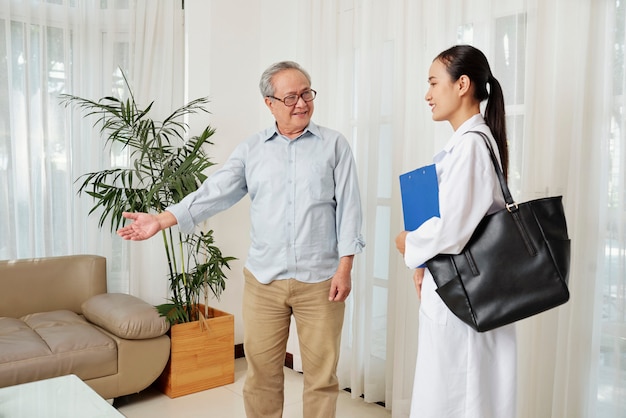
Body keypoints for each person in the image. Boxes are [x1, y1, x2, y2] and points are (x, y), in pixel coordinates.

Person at [117, 61, 364, 418]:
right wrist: (161, 219)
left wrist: (345, 268)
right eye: (291, 96)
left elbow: (350, 210)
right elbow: (214, 192)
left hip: (322, 281)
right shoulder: (253, 149)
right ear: (270, 103)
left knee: (321, 378)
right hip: (264, 282)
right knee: (262, 375)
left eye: (307, 93)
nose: (302, 103)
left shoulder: (334, 146)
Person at [395, 45, 517, 418]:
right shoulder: (467, 144)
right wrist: (423, 260)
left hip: (464, 301)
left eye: (434, 83)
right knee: (459, 392)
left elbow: (450, 230)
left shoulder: (472, 148)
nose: (427, 94)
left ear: (462, 84)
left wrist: (408, 243)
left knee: (457, 396)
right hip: (461, 294)